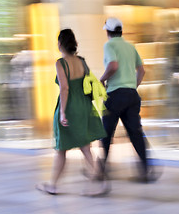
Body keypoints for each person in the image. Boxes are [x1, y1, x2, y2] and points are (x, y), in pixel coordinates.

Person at [36, 29, 109, 196]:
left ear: (60, 43)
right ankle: (99, 181)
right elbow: (88, 83)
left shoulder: (60, 63)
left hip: (69, 108)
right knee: (85, 147)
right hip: (84, 106)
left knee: (61, 148)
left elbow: (65, 88)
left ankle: (53, 185)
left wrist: (62, 112)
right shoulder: (82, 62)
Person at [99, 18, 151, 182]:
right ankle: (145, 171)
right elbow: (141, 71)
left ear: (108, 32)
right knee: (135, 132)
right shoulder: (130, 46)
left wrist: (102, 80)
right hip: (131, 95)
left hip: (114, 94)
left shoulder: (109, 45)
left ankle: (101, 171)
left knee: (106, 133)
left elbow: (113, 66)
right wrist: (131, 86)